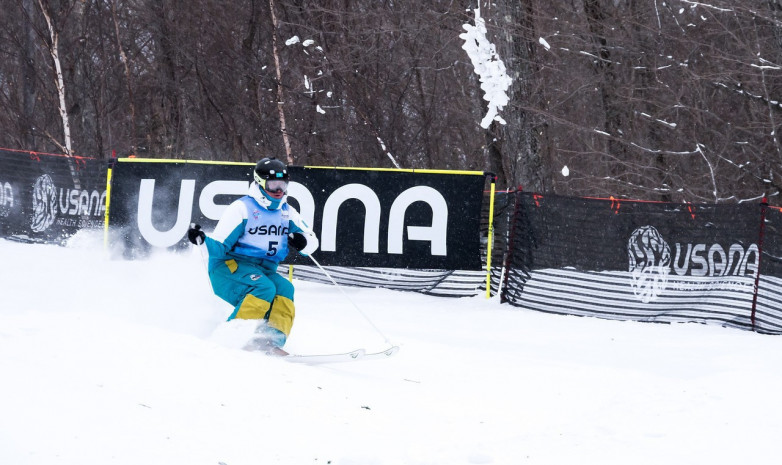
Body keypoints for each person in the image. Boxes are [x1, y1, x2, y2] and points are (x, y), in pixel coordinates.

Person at [187, 157, 318, 355]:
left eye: (283, 185)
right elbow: (220, 246)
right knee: (264, 287)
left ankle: (270, 341)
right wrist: (202, 239)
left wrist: (303, 241)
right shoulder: (242, 208)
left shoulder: (286, 212)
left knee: (284, 288)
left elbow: (311, 240)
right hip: (228, 268)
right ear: (260, 183)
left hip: (263, 269)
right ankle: (232, 338)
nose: (279, 190)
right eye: (273, 184)